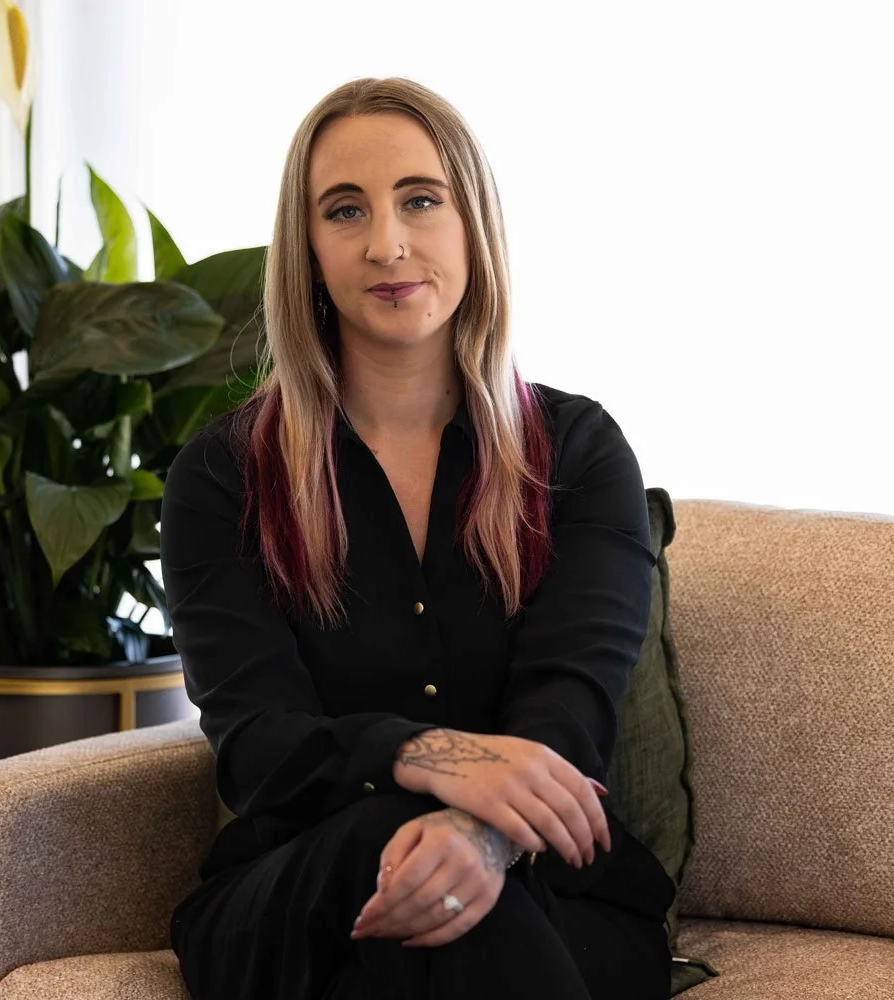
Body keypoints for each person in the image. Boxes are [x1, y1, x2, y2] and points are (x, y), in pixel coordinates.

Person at [160, 76, 675, 1000]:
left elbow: (573, 706)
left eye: (421, 200)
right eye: (345, 210)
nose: (387, 243)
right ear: (309, 250)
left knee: (439, 914)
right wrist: (435, 762)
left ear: (471, 221)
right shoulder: (222, 479)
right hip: (301, 886)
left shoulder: (581, 455)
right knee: (381, 846)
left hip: (550, 885)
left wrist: (480, 833)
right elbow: (260, 740)